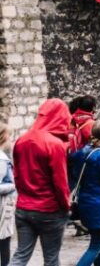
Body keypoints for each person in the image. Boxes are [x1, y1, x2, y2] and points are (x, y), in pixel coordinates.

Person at [9, 99, 71, 266]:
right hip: (49, 210)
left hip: (24, 207)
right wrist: (66, 206)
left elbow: (17, 175)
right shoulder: (55, 144)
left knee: (20, 256)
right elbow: (60, 182)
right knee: (51, 259)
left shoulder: (21, 140)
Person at [68, 119, 100, 266]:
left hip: (85, 203)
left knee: (99, 245)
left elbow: (76, 175)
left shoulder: (81, 154)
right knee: (95, 247)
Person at [0, 121, 16, 266]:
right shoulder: (1, 160)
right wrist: (14, 184)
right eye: (9, 137)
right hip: (2, 209)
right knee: (4, 244)